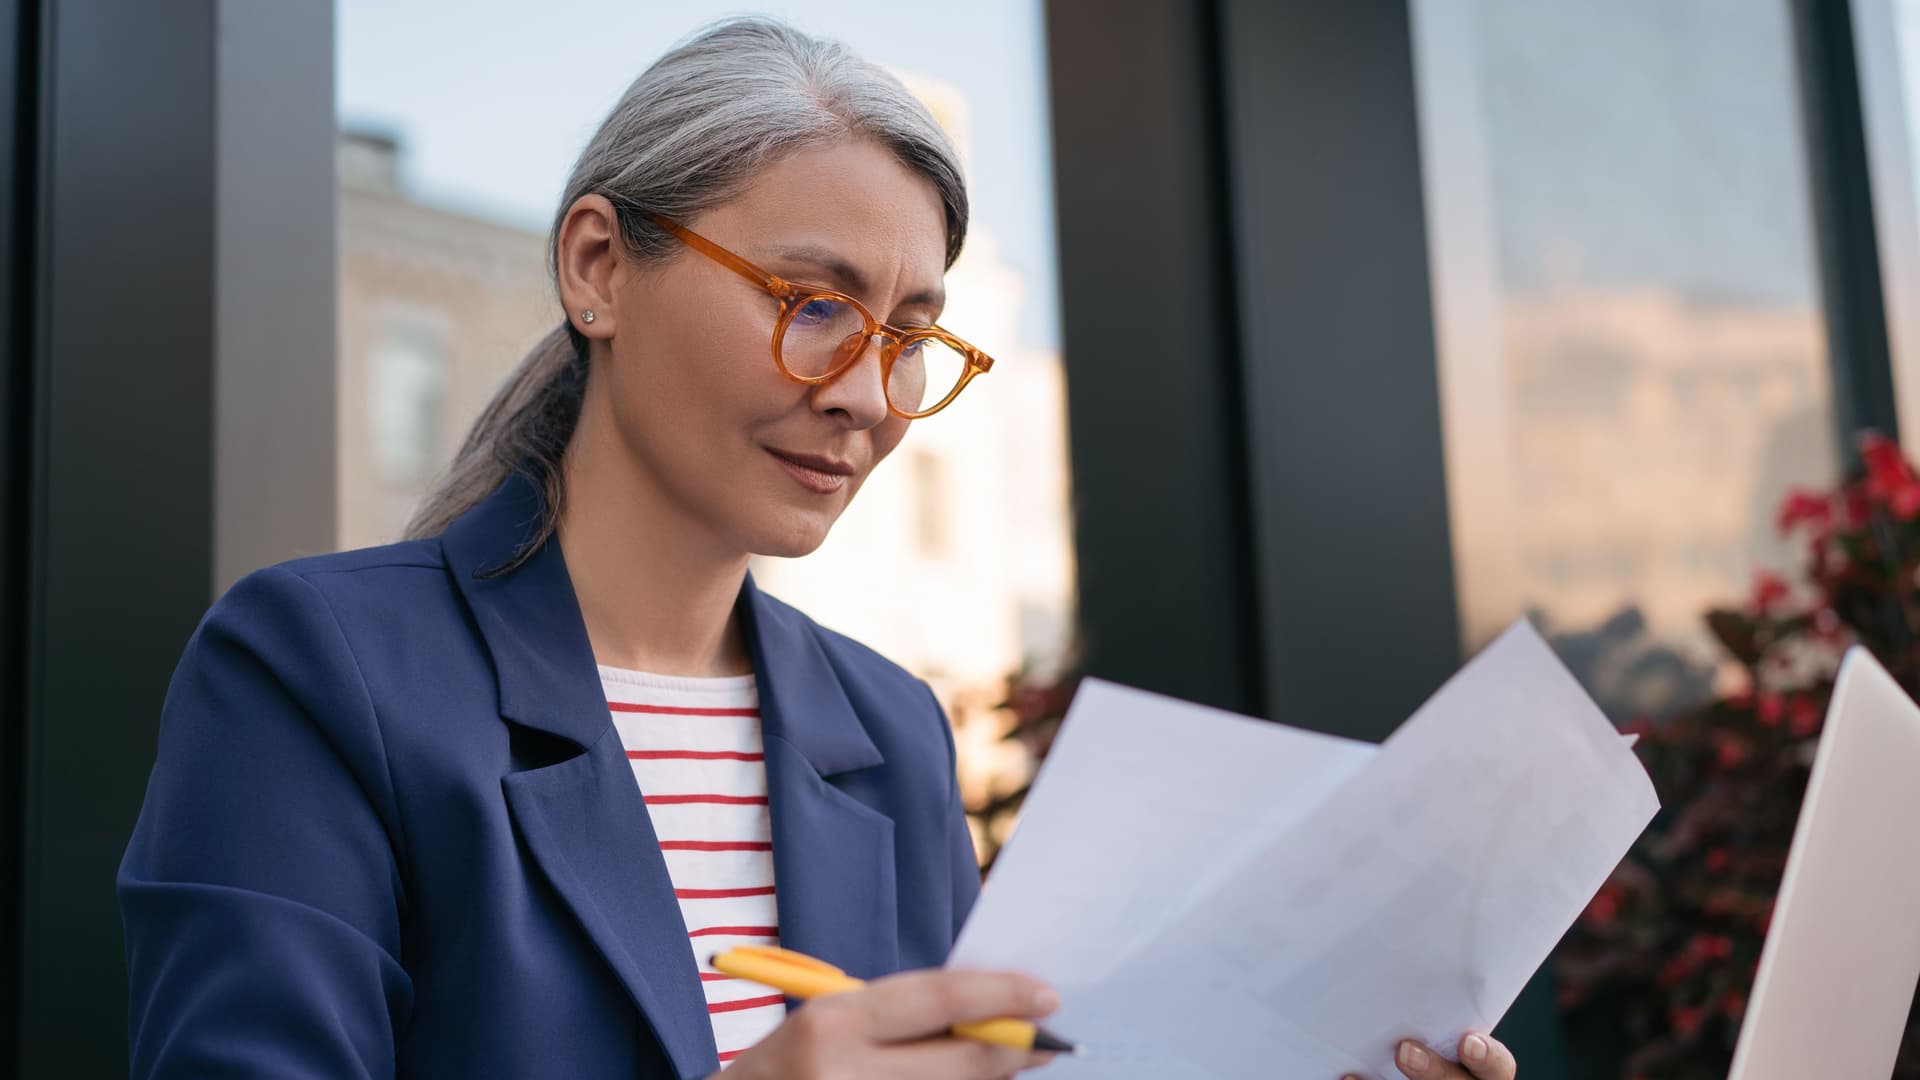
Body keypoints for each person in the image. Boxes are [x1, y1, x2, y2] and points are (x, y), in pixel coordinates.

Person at [118, 16, 1519, 1080]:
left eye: (910, 337)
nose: (864, 391)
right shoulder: (318, 670)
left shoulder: (888, 729)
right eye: (811, 301)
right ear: (598, 268)